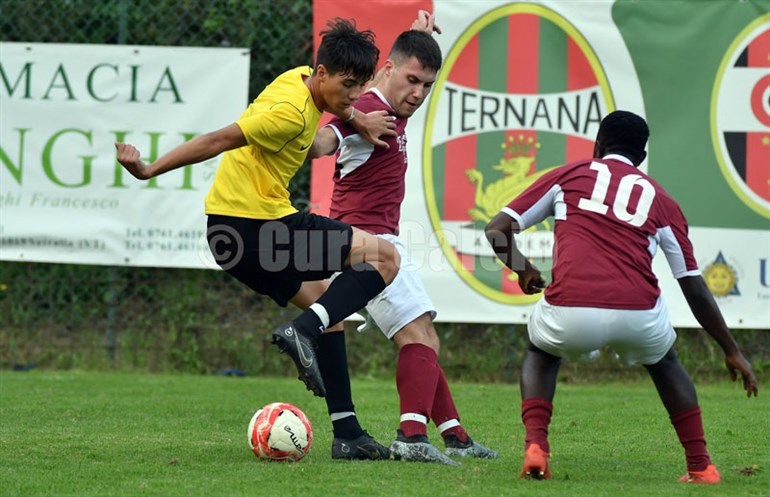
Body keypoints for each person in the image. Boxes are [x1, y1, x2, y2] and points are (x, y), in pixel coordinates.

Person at [114, 19, 401, 424]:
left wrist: (356, 117)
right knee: (385, 259)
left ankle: (348, 432)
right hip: (259, 230)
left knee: (330, 309)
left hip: (231, 235)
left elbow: (329, 125)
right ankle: (302, 331)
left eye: (359, 86)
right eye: (348, 85)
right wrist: (148, 169)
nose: (353, 94)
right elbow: (215, 140)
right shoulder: (289, 114)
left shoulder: (297, 79)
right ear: (322, 74)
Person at [484, 110, 758, 482]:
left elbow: (497, 229)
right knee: (664, 363)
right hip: (638, 315)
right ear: (641, 158)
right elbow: (692, 284)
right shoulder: (662, 201)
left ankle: (536, 447)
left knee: (541, 352)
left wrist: (524, 269)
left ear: (598, 146)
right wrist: (731, 349)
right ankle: (700, 465)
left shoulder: (571, 175)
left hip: (571, 311)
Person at [309, 14, 497, 465]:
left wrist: (418, 36)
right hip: (369, 245)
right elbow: (324, 141)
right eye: (412, 79)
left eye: (427, 85)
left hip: (377, 240)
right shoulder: (368, 111)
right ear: (390, 70)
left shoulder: (385, 96)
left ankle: (454, 435)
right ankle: (412, 436)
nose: (418, 93)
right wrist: (307, 136)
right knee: (420, 336)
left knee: (424, 336)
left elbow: (376, 82)